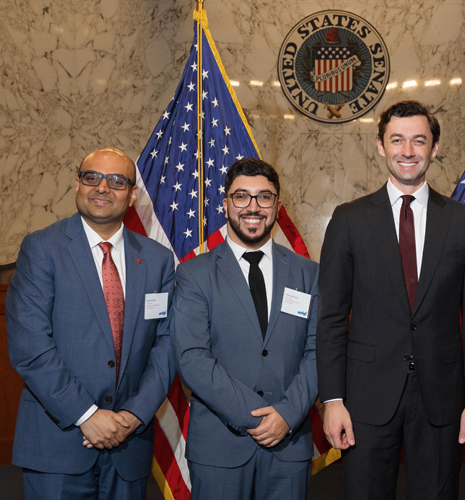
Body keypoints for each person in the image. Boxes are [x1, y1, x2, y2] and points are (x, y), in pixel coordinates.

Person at [316, 100, 465, 499]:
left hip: (442, 400)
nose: (408, 151)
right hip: (365, 399)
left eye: (419, 141)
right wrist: (332, 400)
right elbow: (329, 319)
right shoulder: (349, 219)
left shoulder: (464, 222)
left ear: (434, 148)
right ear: (381, 146)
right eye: (397, 140)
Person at [6, 148, 176, 499]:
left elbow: (166, 345)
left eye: (117, 181)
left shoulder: (157, 260)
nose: (102, 188)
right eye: (92, 177)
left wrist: (134, 414)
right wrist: (87, 414)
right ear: (77, 184)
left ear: (132, 195)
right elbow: (30, 346)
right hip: (58, 442)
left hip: (129, 443)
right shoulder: (42, 249)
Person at [171, 158, 318, 500]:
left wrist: (286, 414)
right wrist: (256, 418)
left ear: (277, 206)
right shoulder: (194, 274)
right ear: (225, 204)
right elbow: (192, 358)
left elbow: (319, 352)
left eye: (264, 197)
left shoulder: (309, 273)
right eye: (241, 197)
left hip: (289, 443)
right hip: (219, 448)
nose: (253, 207)